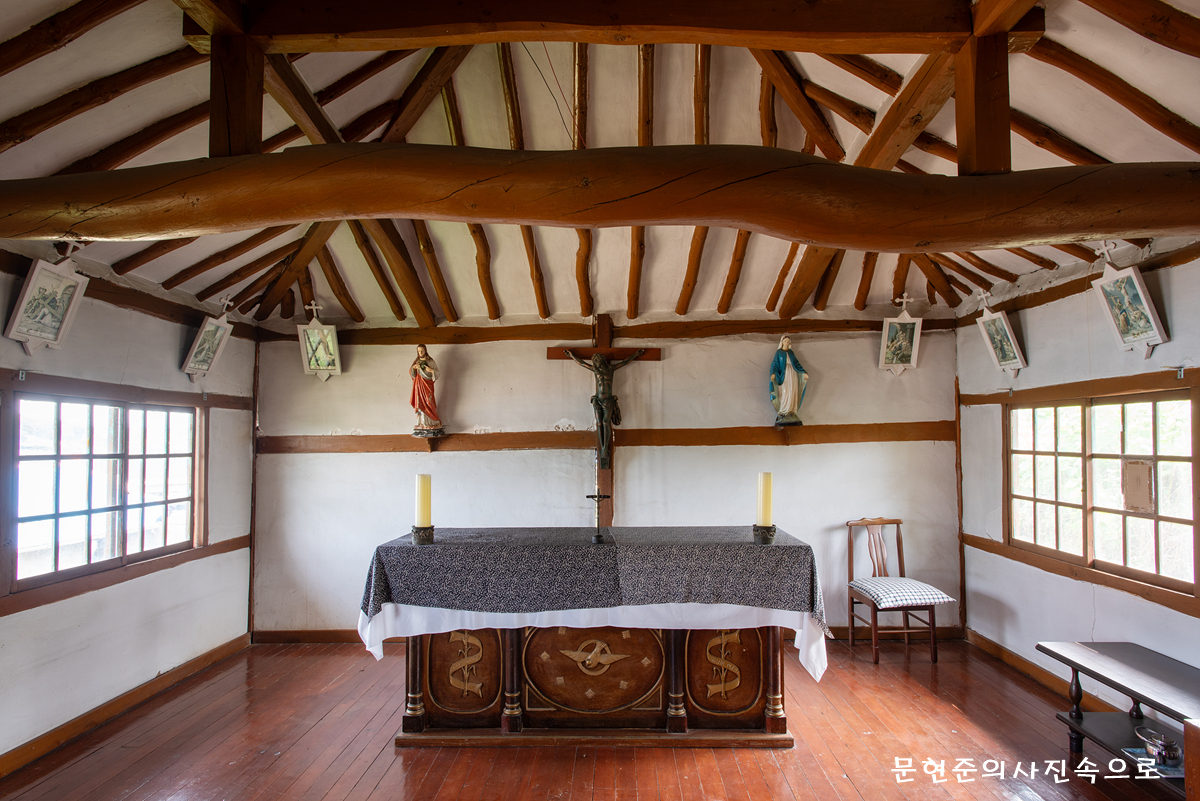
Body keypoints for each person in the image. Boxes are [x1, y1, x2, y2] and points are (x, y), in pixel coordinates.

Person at [567, 349, 644, 469]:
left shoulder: (611, 369)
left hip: (608, 400)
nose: (596, 363)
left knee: (606, 422)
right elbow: (582, 363)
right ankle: (602, 446)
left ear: (602, 360)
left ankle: (604, 448)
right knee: (599, 423)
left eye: (597, 361)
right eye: (595, 361)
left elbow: (624, 362)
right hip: (597, 399)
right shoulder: (595, 369)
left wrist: (635, 354)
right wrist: (572, 355)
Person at [769, 335, 808, 426]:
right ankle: (782, 412)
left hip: (793, 374)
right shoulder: (779, 352)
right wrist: (773, 373)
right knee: (784, 392)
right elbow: (775, 364)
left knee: (792, 391)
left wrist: (803, 372)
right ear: (782, 342)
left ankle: (791, 411)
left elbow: (796, 364)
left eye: (788, 341)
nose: (786, 343)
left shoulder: (791, 353)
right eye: (785, 341)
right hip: (783, 376)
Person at [409, 344, 442, 434]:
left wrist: (430, 370)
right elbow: (412, 374)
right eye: (418, 351)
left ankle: (432, 422)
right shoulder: (416, 361)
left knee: (429, 402)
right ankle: (422, 423)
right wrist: (414, 368)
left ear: (425, 351)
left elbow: (437, 373)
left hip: (427, 386)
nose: (420, 353)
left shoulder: (430, 361)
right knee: (419, 402)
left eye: (422, 351)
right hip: (418, 386)